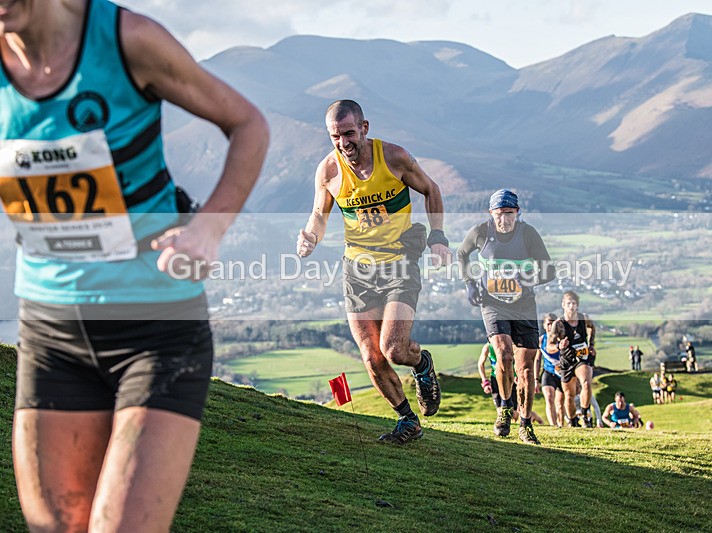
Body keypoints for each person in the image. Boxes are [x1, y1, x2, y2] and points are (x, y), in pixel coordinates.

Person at [1, 1, 269, 531]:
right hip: (50, 331)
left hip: (156, 328)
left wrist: (207, 229)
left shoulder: (128, 40)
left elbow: (248, 124)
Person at [297, 100, 451, 444]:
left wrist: (438, 236)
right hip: (358, 268)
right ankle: (408, 421)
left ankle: (422, 364)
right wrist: (309, 236)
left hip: (400, 261)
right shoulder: (329, 171)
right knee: (371, 353)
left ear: (365, 128)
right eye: (335, 137)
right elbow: (319, 215)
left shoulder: (394, 157)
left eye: (349, 134)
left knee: (395, 349)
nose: (343, 144)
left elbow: (431, 190)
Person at [457, 189, 554, 445]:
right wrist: (470, 284)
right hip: (492, 304)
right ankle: (504, 410)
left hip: (524, 307)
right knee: (503, 354)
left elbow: (549, 270)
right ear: (491, 214)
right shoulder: (480, 233)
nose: (504, 220)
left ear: (517, 213)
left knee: (525, 368)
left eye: (509, 214)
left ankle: (525, 424)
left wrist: (529, 278)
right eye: (499, 214)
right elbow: (461, 254)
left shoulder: (528, 234)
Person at [547, 291, 597, 428]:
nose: (571, 306)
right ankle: (573, 420)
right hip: (567, 360)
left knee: (586, 383)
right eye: (568, 303)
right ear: (563, 305)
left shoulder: (584, 318)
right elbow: (548, 346)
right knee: (569, 394)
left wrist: (591, 344)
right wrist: (559, 345)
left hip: (582, 357)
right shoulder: (558, 324)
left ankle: (585, 414)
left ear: (577, 305)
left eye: (574, 303)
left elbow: (592, 328)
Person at [535, 313, 565, 427]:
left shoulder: (561, 339)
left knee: (560, 404)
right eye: (548, 324)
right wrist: (536, 379)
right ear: (544, 325)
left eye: (552, 324)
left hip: (561, 373)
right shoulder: (541, 340)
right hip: (548, 372)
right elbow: (537, 359)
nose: (550, 326)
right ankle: (553, 425)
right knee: (549, 397)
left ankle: (560, 425)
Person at [478, 341, 518, 422]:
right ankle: (503, 424)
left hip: (512, 379)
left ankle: (514, 425)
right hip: (495, 379)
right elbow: (480, 364)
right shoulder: (488, 347)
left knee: (514, 412)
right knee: (500, 409)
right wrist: (485, 381)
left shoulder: (512, 345)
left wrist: (518, 376)